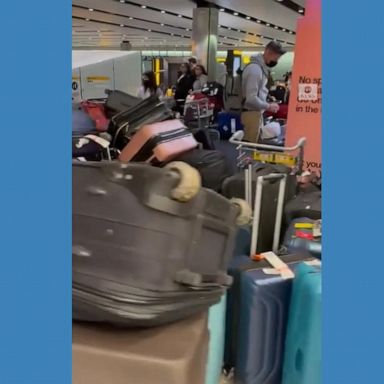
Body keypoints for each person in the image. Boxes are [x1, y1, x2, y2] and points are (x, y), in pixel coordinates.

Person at [241, 41, 286, 142]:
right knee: (250, 149)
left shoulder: (260, 68)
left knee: (255, 147)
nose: (276, 61)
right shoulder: (255, 69)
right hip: (251, 114)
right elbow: (251, 98)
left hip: (255, 113)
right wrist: (268, 106)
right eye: (276, 58)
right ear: (268, 52)